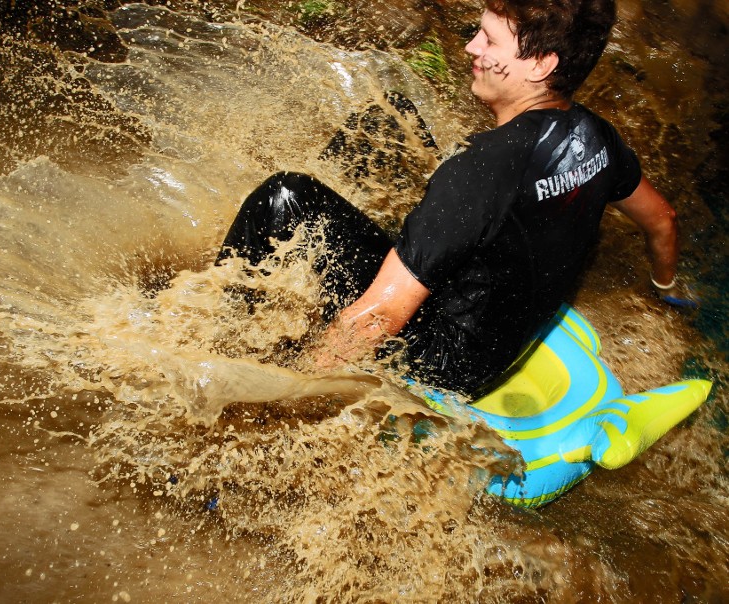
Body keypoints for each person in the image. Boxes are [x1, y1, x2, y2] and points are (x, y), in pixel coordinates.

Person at [216, 0, 694, 396]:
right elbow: (662, 220)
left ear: (542, 64)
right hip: (504, 336)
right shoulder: (598, 137)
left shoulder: (481, 168)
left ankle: (219, 333)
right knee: (389, 118)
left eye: (489, 40)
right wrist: (664, 290)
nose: (472, 47)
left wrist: (282, 392)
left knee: (283, 197)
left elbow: (381, 317)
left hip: (442, 364)